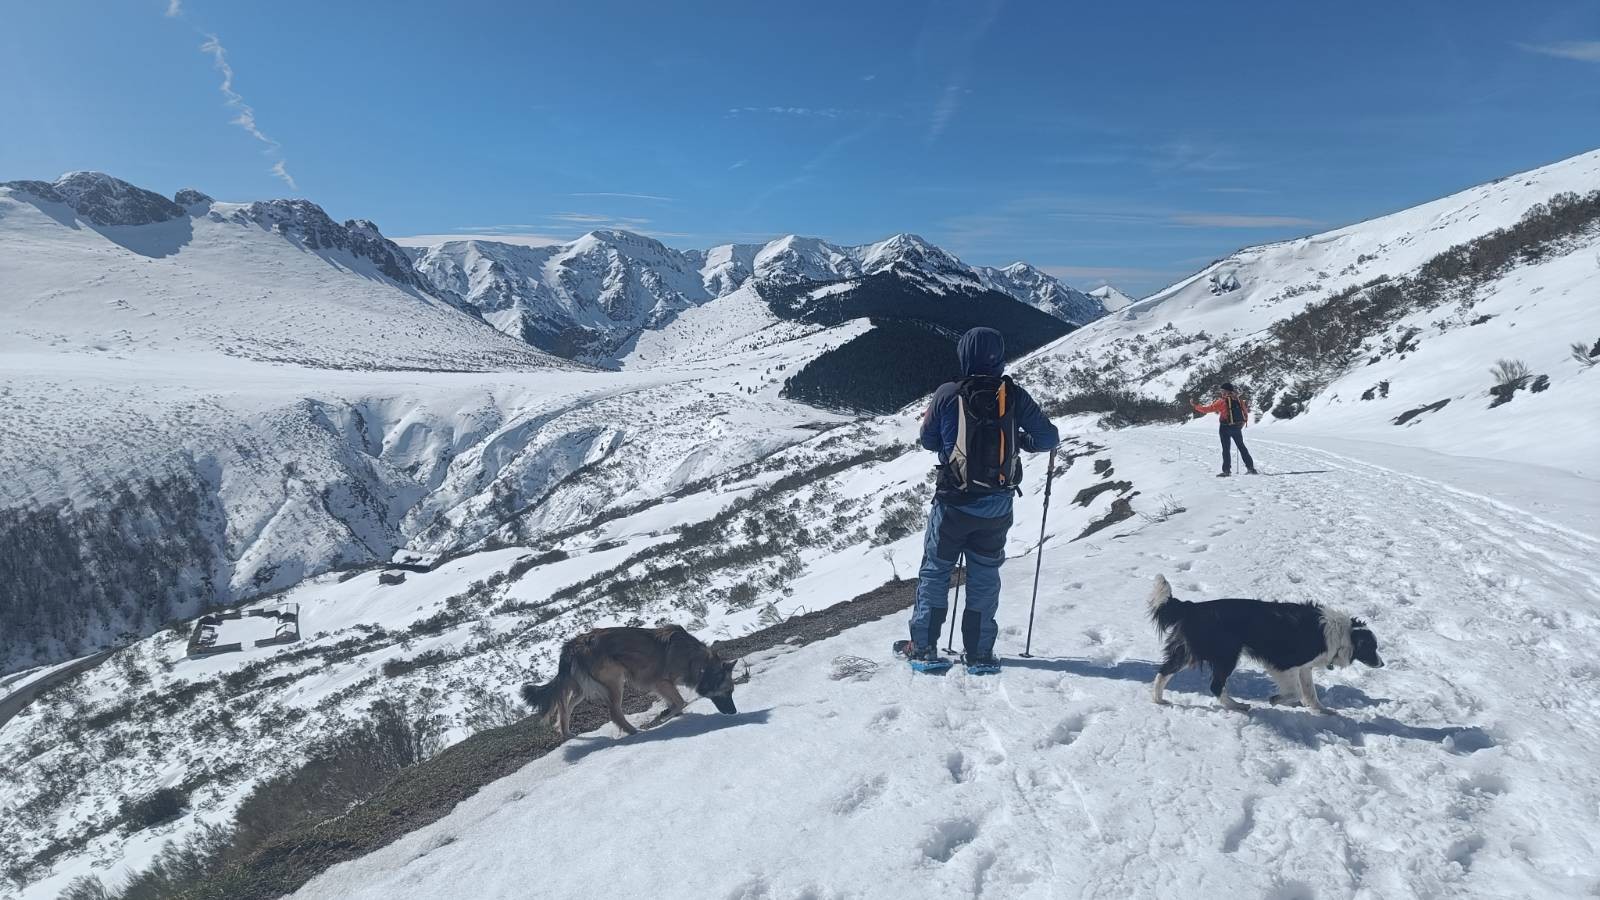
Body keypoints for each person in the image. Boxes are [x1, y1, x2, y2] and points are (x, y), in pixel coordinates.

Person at [904, 327, 1060, 671]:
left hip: (952, 503)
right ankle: (979, 652)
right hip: (996, 505)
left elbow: (929, 441)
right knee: (985, 574)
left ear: (965, 354)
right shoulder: (1014, 395)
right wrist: (1021, 442)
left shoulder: (948, 393)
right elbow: (1049, 437)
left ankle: (924, 646)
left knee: (936, 573)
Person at [1193, 383, 1257, 476]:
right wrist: (1240, 425)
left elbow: (1207, 409)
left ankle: (1226, 471)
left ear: (1226, 391)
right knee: (1242, 447)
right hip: (1237, 427)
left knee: (1226, 449)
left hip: (1224, 427)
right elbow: (1245, 414)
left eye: (1222, 390)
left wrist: (1195, 406)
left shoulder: (1222, 401)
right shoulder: (1238, 400)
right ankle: (1251, 468)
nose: (1221, 392)